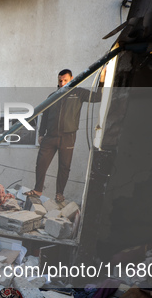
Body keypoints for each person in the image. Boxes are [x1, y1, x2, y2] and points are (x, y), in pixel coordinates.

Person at [25, 68, 106, 202]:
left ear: (72, 79)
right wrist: (41, 133)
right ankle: (38, 190)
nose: (62, 83)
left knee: (64, 167)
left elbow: (98, 97)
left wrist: (102, 79)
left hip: (68, 137)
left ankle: (59, 193)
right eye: (60, 80)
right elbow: (45, 115)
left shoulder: (79, 93)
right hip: (50, 137)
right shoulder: (52, 96)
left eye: (65, 80)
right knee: (41, 164)